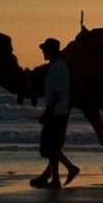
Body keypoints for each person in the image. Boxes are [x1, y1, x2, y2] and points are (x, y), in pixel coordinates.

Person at [31, 38, 78, 189]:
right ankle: (67, 170)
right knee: (52, 147)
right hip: (58, 112)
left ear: (50, 51)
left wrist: (47, 112)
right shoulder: (55, 66)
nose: (43, 52)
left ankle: (59, 177)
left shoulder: (58, 67)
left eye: (44, 50)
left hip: (57, 113)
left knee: (51, 147)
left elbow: (57, 94)